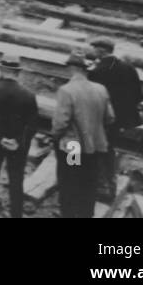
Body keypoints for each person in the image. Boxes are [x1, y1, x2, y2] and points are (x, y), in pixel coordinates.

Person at [52, 50, 114, 218]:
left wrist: (55, 137)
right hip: (94, 146)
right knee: (89, 184)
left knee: (70, 183)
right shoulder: (101, 89)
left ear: (72, 68)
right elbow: (110, 118)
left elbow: (60, 123)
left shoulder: (67, 90)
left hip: (73, 147)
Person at [0, 54, 37, 219]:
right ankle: (16, 213)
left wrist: (0, 138)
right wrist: (17, 141)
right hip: (18, 146)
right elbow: (32, 125)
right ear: (17, 72)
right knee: (16, 179)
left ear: (2, 70)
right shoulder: (28, 95)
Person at [87, 39, 143, 200]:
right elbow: (138, 96)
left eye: (95, 49)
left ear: (101, 51)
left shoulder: (97, 71)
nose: (94, 52)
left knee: (99, 150)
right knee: (110, 148)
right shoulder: (128, 67)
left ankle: (102, 188)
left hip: (101, 119)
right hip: (120, 120)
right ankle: (110, 186)